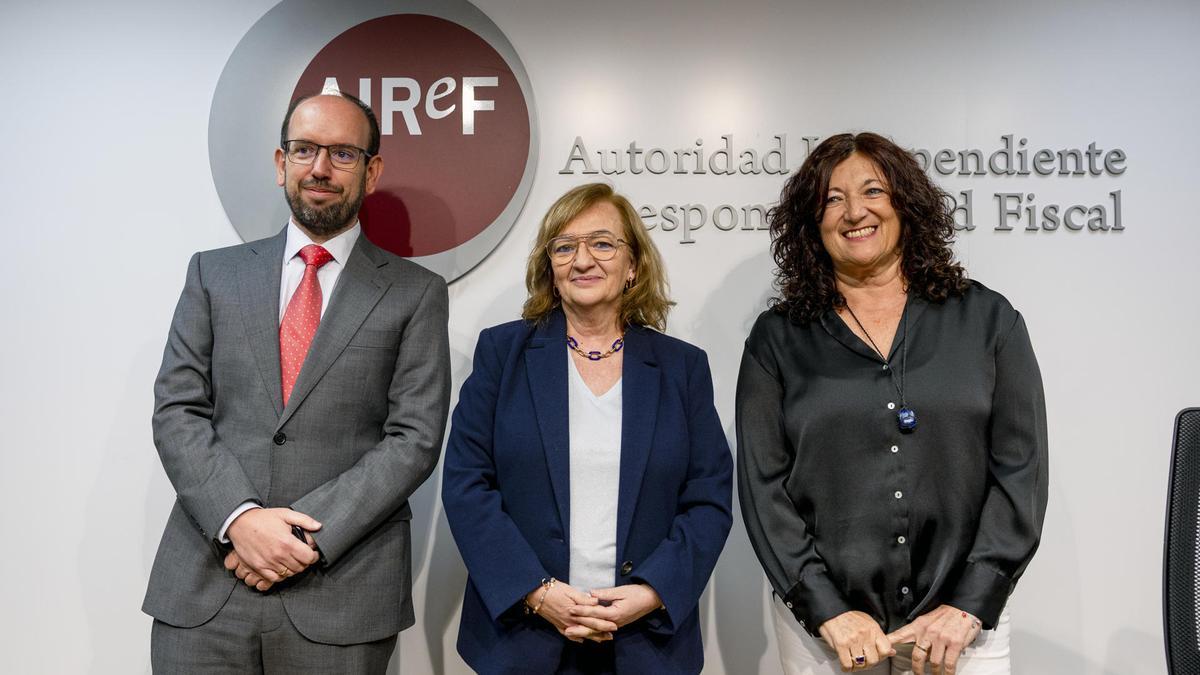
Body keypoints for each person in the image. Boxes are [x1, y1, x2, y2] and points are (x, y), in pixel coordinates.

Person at [143, 89, 451, 673]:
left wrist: (297, 539)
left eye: (342, 153)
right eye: (304, 149)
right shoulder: (214, 274)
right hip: (207, 587)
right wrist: (239, 520)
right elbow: (177, 410)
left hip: (342, 591)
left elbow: (413, 439)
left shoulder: (415, 293)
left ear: (372, 169)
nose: (320, 168)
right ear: (281, 162)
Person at [736, 132, 1047, 675]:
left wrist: (970, 604)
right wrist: (827, 609)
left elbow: (1021, 471)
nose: (854, 211)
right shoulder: (777, 339)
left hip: (960, 628)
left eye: (873, 190)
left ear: (905, 204)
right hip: (826, 634)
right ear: (812, 222)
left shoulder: (988, 321)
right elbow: (763, 486)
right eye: (832, 199)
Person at [442, 183, 733, 674]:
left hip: (646, 641)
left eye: (602, 243)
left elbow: (709, 497)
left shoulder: (682, 367)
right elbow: (467, 484)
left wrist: (651, 591)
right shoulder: (501, 354)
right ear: (550, 270)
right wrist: (537, 592)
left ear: (633, 265)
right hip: (523, 638)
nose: (583, 260)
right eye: (564, 246)